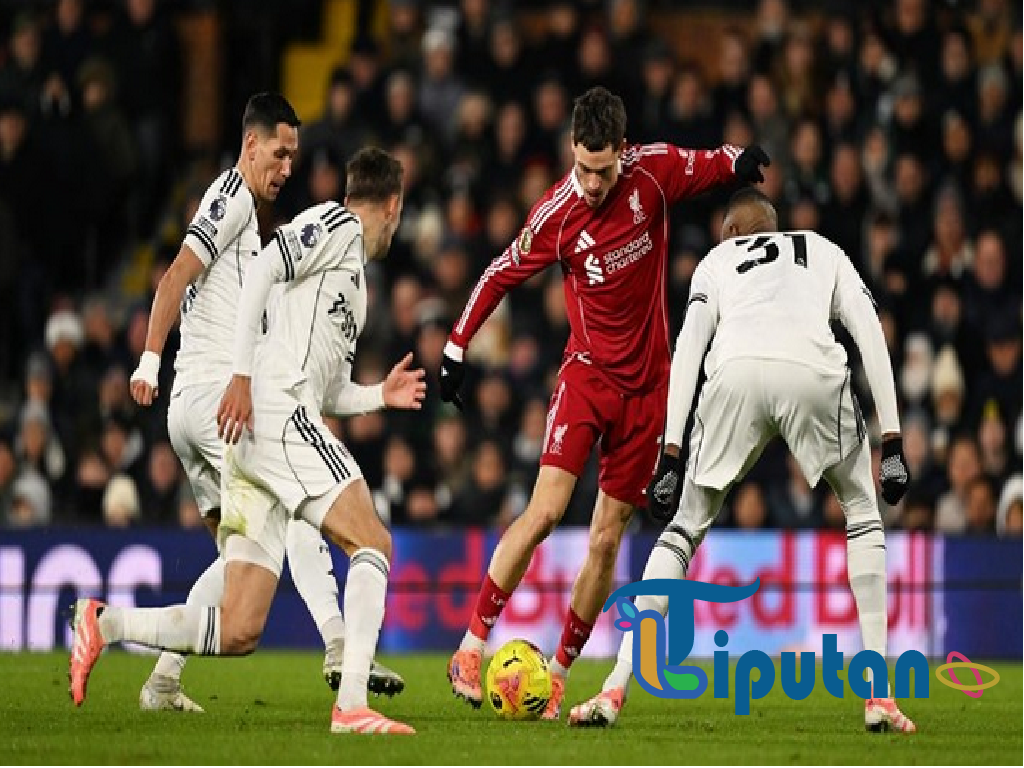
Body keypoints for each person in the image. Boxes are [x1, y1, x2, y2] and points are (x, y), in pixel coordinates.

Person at [441, 86, 770, 718]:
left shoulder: (651, 173)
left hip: (650, 391)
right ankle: (471, 645)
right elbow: (499, 273)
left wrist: (737, 160)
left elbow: (705, 163)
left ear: (622, 149)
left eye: (601, 169)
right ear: (572, 147)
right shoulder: (558, 213)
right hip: (587, 379)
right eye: (581, 166)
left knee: (604, 540)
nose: (590, 182)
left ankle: (559, 672)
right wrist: (458, 345)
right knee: (543, 512)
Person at [74, 148, 422, 735]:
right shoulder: (335, 223)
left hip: (265, 433)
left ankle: (104, 626)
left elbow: (332, 387)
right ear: (394, 206)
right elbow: (263, 267)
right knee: (374, 543)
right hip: (276, 415)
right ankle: (351, 700)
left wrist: (377, 397)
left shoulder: (355, 286)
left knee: (239, 629)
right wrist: (240, 376)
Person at [567, 188, 916, 734]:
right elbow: (869, 332)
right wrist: (892, 438)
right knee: (860, 508)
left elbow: (690, 347)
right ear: (774, 228)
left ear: (732, 232)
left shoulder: (716, 261)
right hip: (812, 371)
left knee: (681, 530)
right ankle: (880, 697)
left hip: (736, 374)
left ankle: (614, 686)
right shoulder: (822, 249)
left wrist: (671, 452)